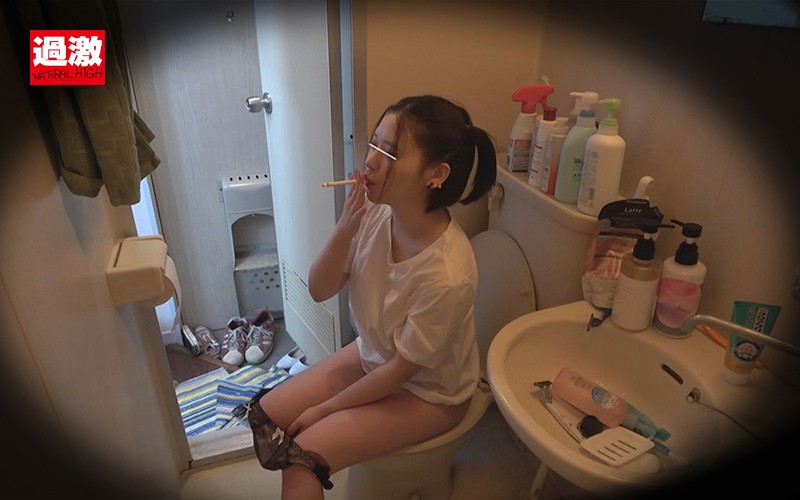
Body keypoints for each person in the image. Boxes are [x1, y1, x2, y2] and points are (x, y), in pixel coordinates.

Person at [236, 95, 497, 500]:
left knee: (301, 460)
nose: (370, 162)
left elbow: (400, 372)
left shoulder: (447, 273)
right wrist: (345, 227)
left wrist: (326, 409)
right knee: (265, 417)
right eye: (373, 144)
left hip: (429, 393)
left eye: (388, 153)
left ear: (436, 174)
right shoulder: (377, 211)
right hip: (376, 355)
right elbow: (320, 289)